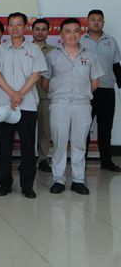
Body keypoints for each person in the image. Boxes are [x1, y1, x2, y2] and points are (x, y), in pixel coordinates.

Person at [42, 18, 103, 195]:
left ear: (80, 33)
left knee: (79, 143)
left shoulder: (90, 56)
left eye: (76, 31)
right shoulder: (52, 56)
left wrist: (80, 93)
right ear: (61, 34)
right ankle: (58, 180)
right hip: (59, 104)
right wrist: (59, 93)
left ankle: (78, 180)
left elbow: (95, 82)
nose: (72, 35)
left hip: (82, 104)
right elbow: (45, 82)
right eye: (68, 31)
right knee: (59, 143)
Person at [0, 12, 47, 199]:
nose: (15, 28)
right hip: (4, 105)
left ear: (25, 27)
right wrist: (12, 94)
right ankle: (4, 184)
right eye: (12, 24)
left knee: (28, 147)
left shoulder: (34, 50)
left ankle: (27, 185)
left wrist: (20, 94)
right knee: (5, 146)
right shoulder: (0, 50)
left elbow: (36, 75)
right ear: (8, 27)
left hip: (27, 105)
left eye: (18, 24)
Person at [81, 9, 121, 172]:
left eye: (99, 20)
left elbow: (116, 65)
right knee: (84, 127)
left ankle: (106, 162)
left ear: (103, 22)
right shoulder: (80, 40)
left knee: (106, 127)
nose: (96, 22)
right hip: (86, 90)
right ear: (87, 22)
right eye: (93, 19)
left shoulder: (111, 41)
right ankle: (81, 162)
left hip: (106, 90)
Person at [32, 18, 55, 173]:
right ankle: (27, 158)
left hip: (46, 95)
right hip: (26, 95)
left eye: (43, 29)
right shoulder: (25, 48)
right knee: (27, 130)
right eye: (37, 29)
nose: (40, 32)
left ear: (48, 31)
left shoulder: (54, 51)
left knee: (46, 130)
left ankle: (43, 159)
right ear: (32, 30)